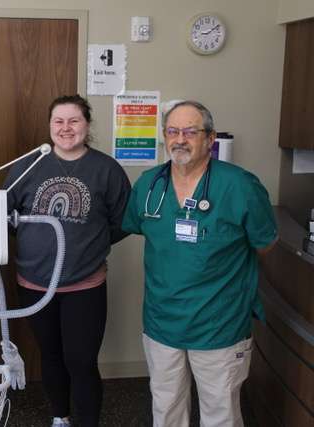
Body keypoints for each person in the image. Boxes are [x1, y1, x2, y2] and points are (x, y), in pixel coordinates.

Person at [121, 100, 277, 427]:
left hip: (219, 324)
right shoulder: (149, 185)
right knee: (166, 408)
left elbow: (265, 244)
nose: (180, 139)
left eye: (191, 131)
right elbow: (146, 232)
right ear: (164, 136)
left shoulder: (240, 185)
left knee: (220, 413)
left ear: (210, 138)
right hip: (163, 321)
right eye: (173, 131)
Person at [4, 95, 131, 427]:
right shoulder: (29, 165)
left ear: (87, 125)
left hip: (84, 285)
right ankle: (60, 417)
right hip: (34, 282)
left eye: (74, 121)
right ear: (49, 126)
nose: (66, 128)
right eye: (58, 121)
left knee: (82, 360)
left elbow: (123, 222)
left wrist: (89, 245)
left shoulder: (107, 170)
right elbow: (4, 215)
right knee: (51, 355)